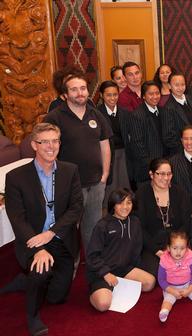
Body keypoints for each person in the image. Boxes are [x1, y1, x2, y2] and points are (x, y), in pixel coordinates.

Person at [5, 123, 83, 335]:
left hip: (60, 238)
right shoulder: (16, 177)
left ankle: (25, 280)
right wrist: (38, 248)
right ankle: (32, 317)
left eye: (55, 141)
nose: (51, 146)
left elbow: (76, 208)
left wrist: (52, 232)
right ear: (34, 145)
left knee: (58, 298)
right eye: (44, 142)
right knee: (41, 271)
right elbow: (17, 218)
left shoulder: (70, 170)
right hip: (32, 240)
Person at [44, 73, 112, 250]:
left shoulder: (96, 114)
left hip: (96, 183)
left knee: (93, 226)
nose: (80, 93)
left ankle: (93, 264)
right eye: (74, 89)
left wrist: (104, 175)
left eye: (82, 88)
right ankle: (69, 266)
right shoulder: (54, 117)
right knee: (68, 229)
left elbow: (104, 146)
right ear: (65, 94)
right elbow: (47, 151)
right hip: (70, 185)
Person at [86, 189, 155, 312]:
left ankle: (118, 286)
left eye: (128, 203)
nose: (125, 207)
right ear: (113, 205)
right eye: (120, 203)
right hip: (103, 272)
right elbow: (92, 255)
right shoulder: (102, 225)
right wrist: (105, 273)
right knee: (103, 305)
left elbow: (137, 249)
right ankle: (95, 292)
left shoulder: (135, 222)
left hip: (124, 269)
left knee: (149, 283)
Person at [136, 159, 192, 277]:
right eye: (161, 174)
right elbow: (140, 227)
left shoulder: (179, 192)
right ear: (151, 174)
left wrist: (174, 247)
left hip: (176, 243)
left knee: (184, 271)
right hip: (152, 244)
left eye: (169, 174)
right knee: (155, 274)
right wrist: (156, 251)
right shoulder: (142, 193)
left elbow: (186, 223)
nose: (166, 178)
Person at [158, 231, 192, 323]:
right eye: (175, 248)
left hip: (188, 284)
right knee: (168, 300)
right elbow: (161, 279)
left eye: (182, 248)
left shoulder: (190, 257)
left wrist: (190, 288)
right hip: (170, 286)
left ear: (187, 248)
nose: (178, 252)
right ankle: (164, 311)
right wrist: (172, 291)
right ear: (168, 248)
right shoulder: (164, 260)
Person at [97, 80, 131, 207]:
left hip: (123, 156)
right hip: (105, 156)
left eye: (115, 94)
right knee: (109, 191)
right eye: (108, 95)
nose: (112, 98)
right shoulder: (96, 113)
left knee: (123, 187)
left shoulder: (125, 113)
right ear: (101, 95)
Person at [162, 72, 192, 155]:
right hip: (183, 152)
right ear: (169, 86)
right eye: (176, 85)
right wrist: (188, 148)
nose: (180, 88)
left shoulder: (189, 98)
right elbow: (169, 138)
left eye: (182, 84)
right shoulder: (168, 108)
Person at [127, 80, 166, 184]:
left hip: (164, 165)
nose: (155, 96)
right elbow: (137, 144)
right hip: (147, 169)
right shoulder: (137, 115)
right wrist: (152, 166)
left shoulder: (163, 111)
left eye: (157, 93)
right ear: (143, 96)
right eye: (151, 94)